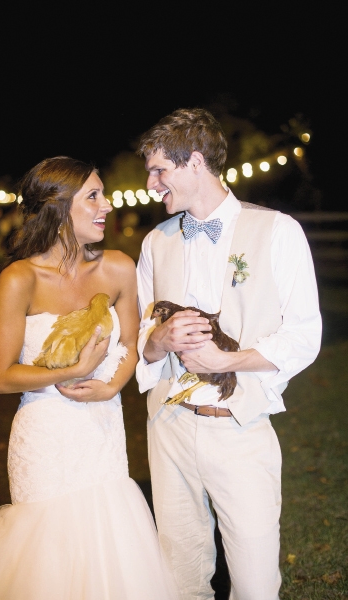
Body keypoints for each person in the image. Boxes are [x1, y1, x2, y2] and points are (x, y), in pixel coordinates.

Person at [0, 156, 178, 600]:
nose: (106, 205)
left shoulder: (117, 268)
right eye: (93, 196)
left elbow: (130, 343)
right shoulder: (20, 279)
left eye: (103, 193)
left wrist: (111, 385)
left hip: (101, 432)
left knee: (110, 552)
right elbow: (0, 376)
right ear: (57, 208)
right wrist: (73, 371)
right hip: (45, 436)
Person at [135, 109, 322, 600]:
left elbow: (304, 336)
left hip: (240, 428)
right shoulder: (155, 243)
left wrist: (228, 363)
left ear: (195, 162)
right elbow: (142, 339)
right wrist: (161, 340)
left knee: (256, 582)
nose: (151, 184)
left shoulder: (277, 231)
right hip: (169, 427)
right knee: (178, 574)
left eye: (159, 170)